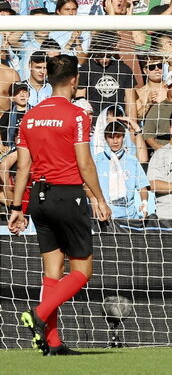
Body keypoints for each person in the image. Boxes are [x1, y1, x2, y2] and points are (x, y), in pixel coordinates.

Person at [9, 53, 111, 356]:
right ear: (74, 79)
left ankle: (53, 343)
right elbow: (84, 162)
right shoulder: (77, 115)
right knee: (82, 271)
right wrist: (99, 198)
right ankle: (39, 315)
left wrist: (17, 209)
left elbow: (23, 167)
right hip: (68, 196)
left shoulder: (31, 115)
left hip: (38, 198)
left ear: (48, 78)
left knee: (52, 273)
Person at [93, 120, 150, 219]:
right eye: (111, 137)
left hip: (129, 216)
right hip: (106, 215)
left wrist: (144, 203)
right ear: (106, 139)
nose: (115, 141)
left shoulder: (132, 160)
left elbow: (142, 187)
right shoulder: (97, 160)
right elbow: (87, 185)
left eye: (118, 137)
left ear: (123, 137)